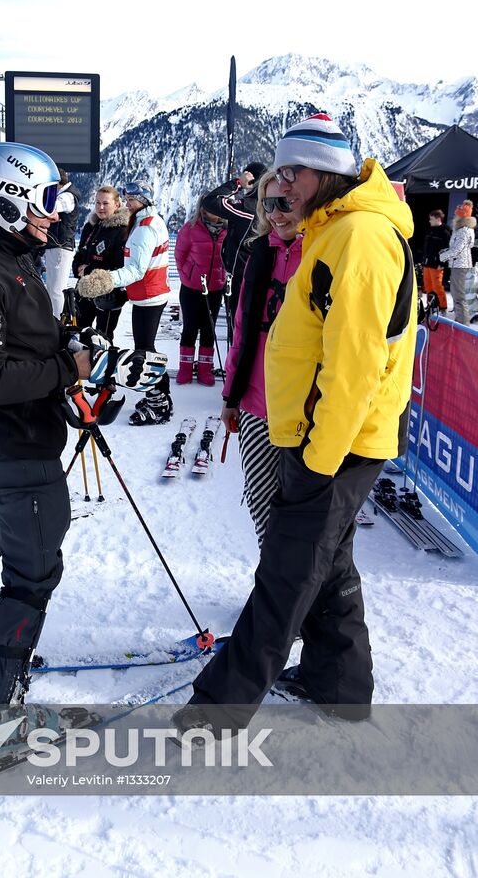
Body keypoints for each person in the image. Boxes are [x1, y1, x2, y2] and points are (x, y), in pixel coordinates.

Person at [0, 142, 164, 720]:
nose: (56, 215)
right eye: (44, 203)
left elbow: (15, 342)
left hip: (5, 445)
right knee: (32, 574)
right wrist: (70, 368)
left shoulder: (9, 258)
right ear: (7, 201)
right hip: (15, 448)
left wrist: (65, 344)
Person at [175, 113, 416, 733]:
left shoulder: (360, 236)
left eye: (293, 170)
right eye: (279, 169)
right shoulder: (335, 229)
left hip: (331, 442)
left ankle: (213, 713)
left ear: (328, 174)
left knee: (285, 575)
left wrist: (318, 455)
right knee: (327, 563)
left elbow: (356, 362)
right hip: (317, 435)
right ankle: (337, 683)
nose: (281, 182)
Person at [221, 171, 303, 545]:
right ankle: (272, 585)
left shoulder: (325, 253)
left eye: (284, 203)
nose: (276, 214)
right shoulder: (258, 253)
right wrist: (230, 397)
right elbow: (241, 331)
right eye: (268, 205)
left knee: (302, 510)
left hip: (306, 410)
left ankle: (299, 591)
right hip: (255, 403)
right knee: (261, 501)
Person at [76, 178, 173, 425]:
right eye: (128, 199)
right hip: (147, 294)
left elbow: (136, 270)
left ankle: (159, 403)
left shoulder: (145, 228)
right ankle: (159, 397)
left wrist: (105, 279)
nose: (127, 204)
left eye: (131, 200)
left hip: (148, 295)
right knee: (145, 348)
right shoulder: (145, 221)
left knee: (145, 352)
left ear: (143, 201)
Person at [202, 161, 266, 327]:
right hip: (259, 277)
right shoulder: (268, 207)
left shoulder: (248, 208)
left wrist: (237, 182)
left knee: (238, 329)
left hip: (241, 278)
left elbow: (211, 201)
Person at [173, 197, 227, 385]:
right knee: (189, 327)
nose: (216, 211)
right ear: (203, 209)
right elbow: (179, 256)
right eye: (212, 207)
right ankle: (185, 369)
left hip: (215, 288)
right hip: (191, 288)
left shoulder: (228, 230)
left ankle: (205, 369)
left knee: (208, 329)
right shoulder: (190, 228)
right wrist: (188, 276)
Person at [72, 185, 130, 340]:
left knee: (103, 336)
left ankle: (103, 363)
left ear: (117, 205)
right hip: (84, 289)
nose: (100, 207)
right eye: (97, 203)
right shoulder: (90, 226)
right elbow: (79, 255)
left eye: (105, 203)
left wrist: (89, 269)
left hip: (108, 293)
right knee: (80, 332)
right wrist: (77, 267)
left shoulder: (122, 230)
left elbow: (119, 264)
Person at [44, 168, 80, 318]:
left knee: (56, 289)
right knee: (53, 288)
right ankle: (55, 319)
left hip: (60, 245)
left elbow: (50, 208)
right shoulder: (66, 194)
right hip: (57, 245)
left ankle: (57, 320)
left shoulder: (67, 196)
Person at [440, 200, 476, 325]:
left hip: (460, 265)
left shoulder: (463, 230)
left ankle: (463, 323)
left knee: (459, 296)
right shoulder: (463, 230)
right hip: (458, 264)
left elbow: (458, 250)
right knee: (457, 295)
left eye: (457, 214)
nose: (455, 216)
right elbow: (459, 247)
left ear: (462, 216)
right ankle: (460, 320)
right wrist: (446, 251)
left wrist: (443, 257)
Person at [421, 210, 451, 315]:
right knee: (428, 286)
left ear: (438, 219)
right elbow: (426, 248)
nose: (429, 221)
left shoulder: (445, 232)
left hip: (436, 265)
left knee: (437, 286)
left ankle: (443, 307)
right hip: (427, 263)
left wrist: (442, 263)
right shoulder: (430, 231)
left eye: (432, 219)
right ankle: (430, 305)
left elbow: (447, 250)